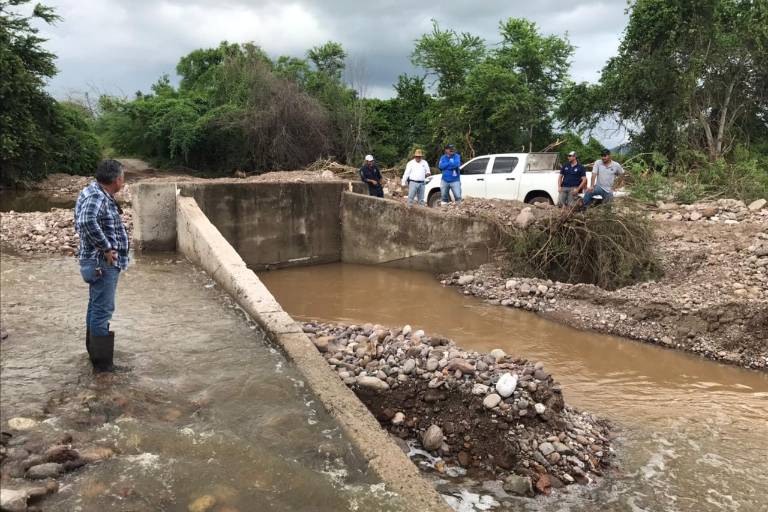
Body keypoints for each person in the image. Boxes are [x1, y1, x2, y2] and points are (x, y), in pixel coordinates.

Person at [74, 159, 130, 372]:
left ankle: (94, 356)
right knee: (102, 311)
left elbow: (81, 222)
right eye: (123, 178)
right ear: (116, 180)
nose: (123, 182)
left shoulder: (91, 191)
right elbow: (86, 222)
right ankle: (103, 366)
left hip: (95, 261)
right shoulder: (97, 196)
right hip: (102, 262)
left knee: (95, 307)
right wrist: (106, 248)